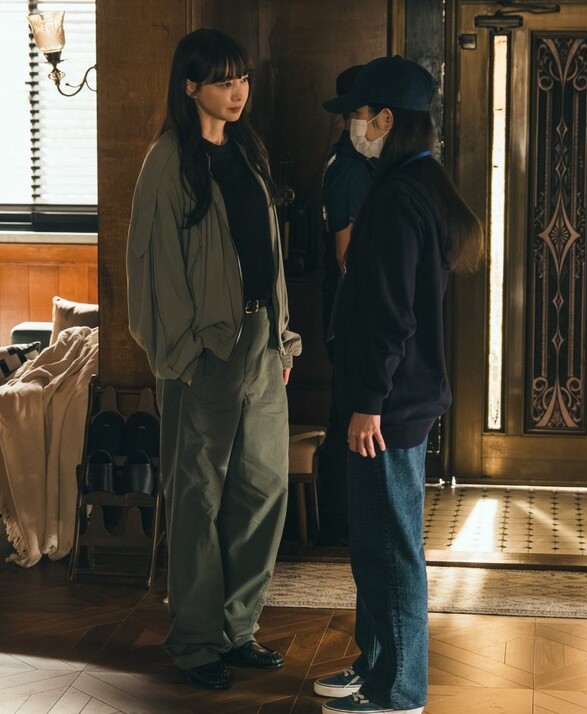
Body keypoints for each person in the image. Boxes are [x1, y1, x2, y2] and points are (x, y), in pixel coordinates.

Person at [126, 28, 301, 690]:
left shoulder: (248, 152)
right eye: (224, 80)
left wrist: (282, 340)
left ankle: (237, 629)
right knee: (197, 498)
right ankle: (196, 639)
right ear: (190, 86)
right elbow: (151, 271)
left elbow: (268, 257)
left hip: (261, 344)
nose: (238, 91)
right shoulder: (168, 161)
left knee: (262, 490)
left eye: (243, 78)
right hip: (203, 353)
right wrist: (182, 355)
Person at [313, 56, 485, 714]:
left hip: (388, 407)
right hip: (393, 402)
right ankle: (377, 664)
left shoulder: (397, 198)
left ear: (385, 120)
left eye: (359, 115)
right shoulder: (415, 184)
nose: (354, 127)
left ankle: (401, 691)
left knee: (391, 549)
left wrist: (368, 404)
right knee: (374, 544)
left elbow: (391, 316)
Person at [319, 64, 378, 547]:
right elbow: (347, 256)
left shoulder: (359, 165)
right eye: (366, 114)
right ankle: (339, 525)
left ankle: (345, 522)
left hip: (350, 313)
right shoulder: (349, 170)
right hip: (350, 313)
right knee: (347, 417)